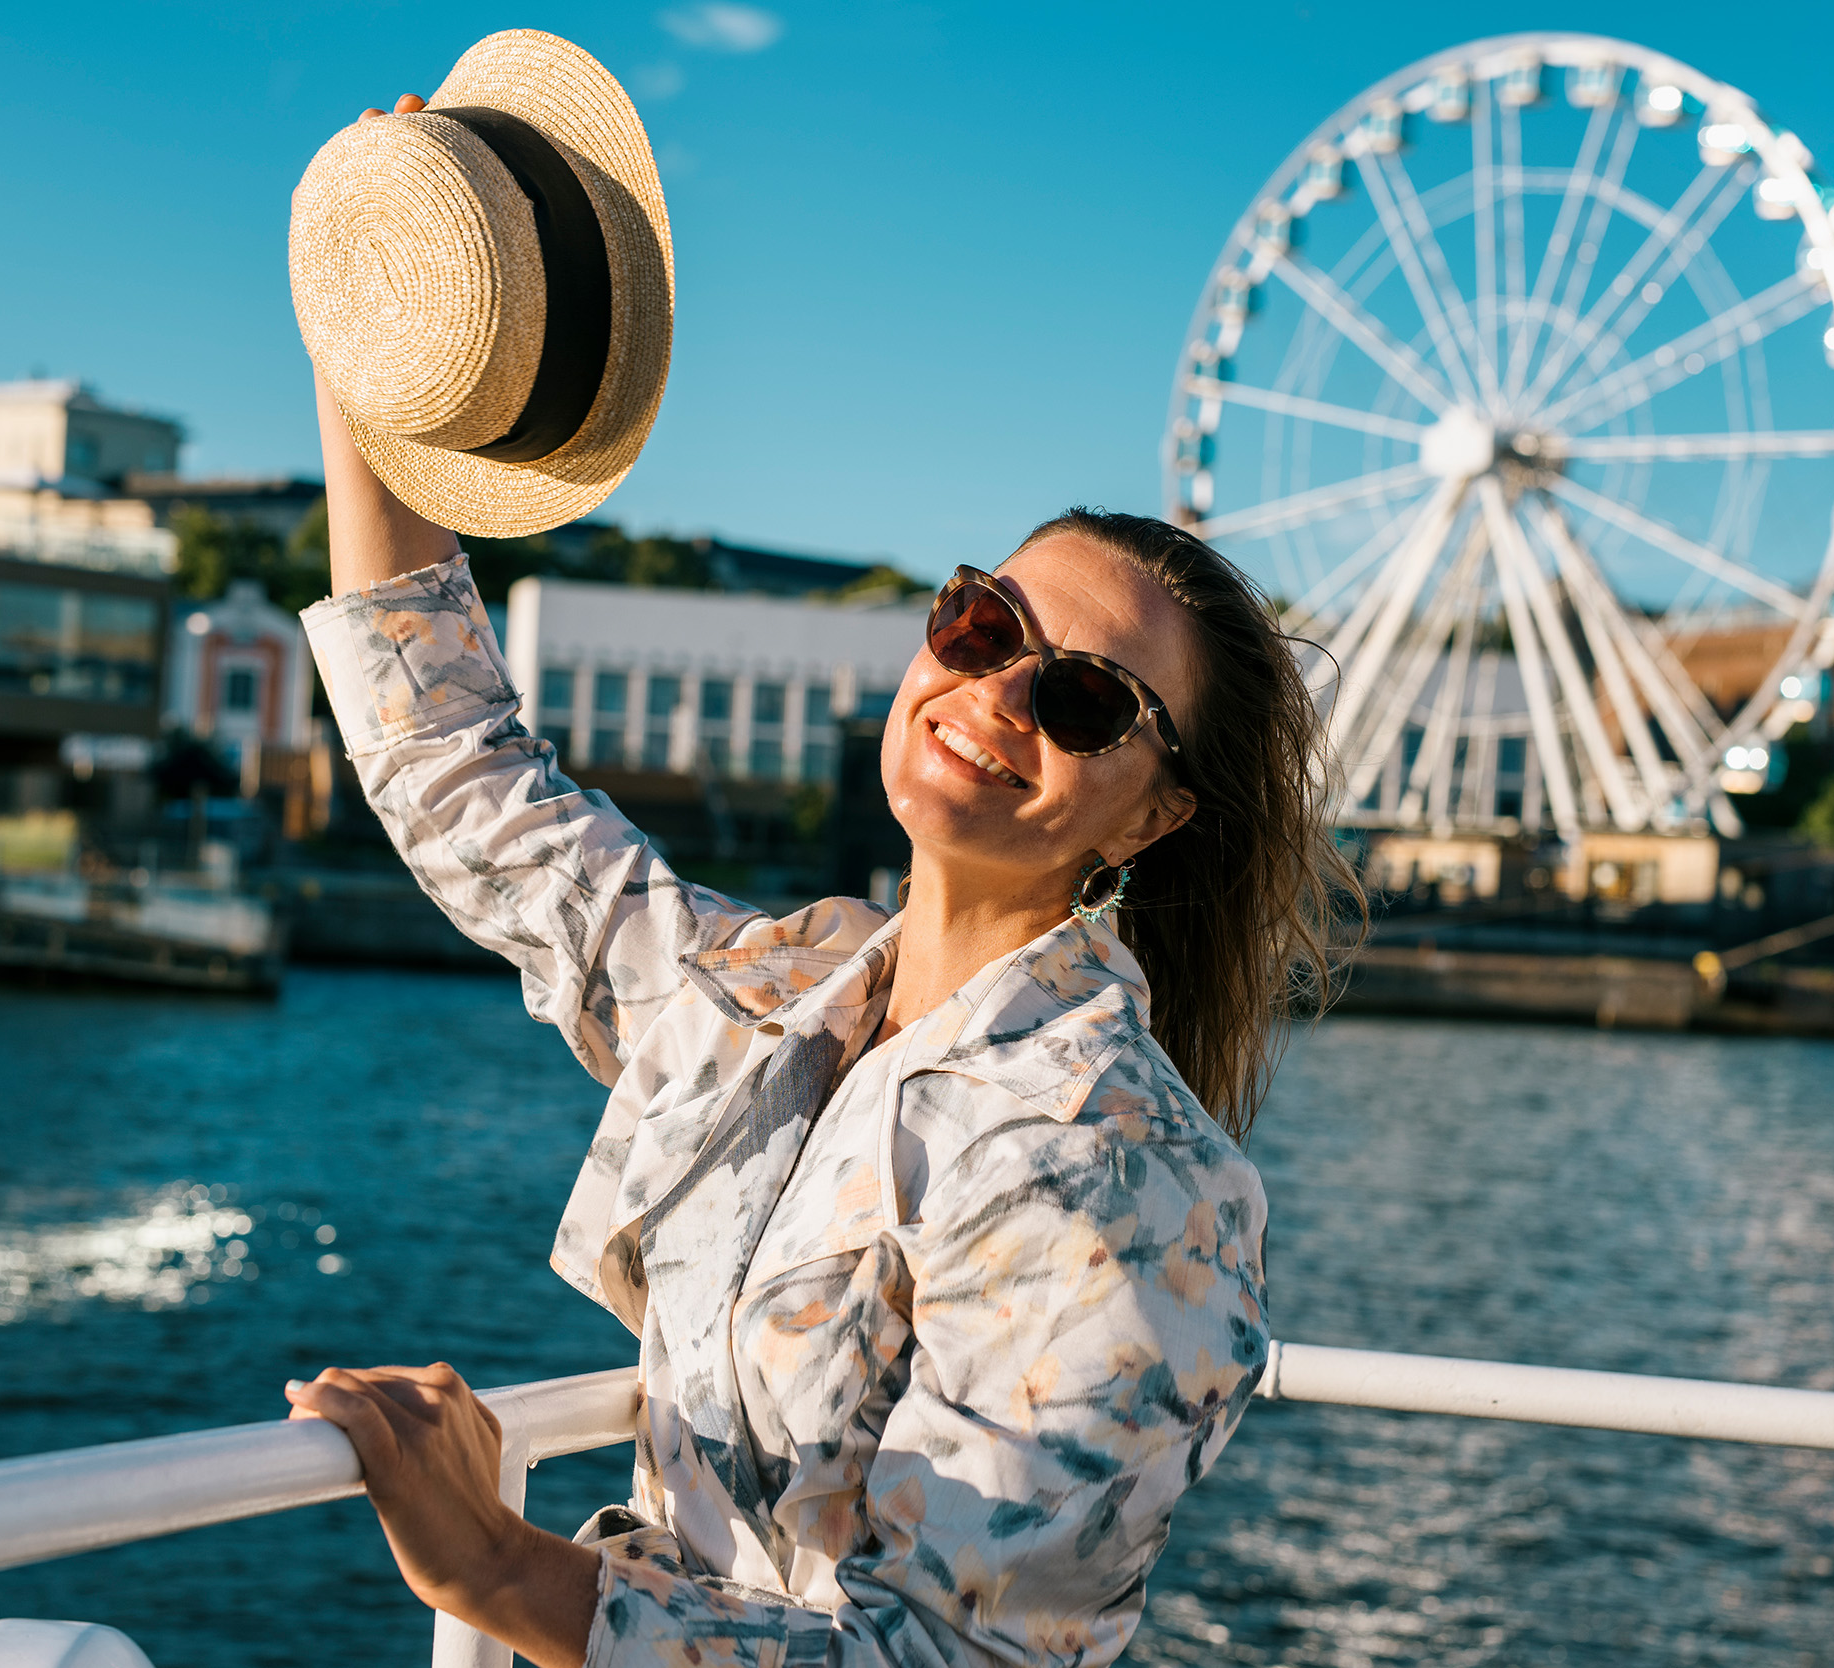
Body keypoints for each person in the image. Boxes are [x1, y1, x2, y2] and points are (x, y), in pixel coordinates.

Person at [284, 99, 1359, 1668]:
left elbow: (943, 1660)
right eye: (987, 625)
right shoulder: (777, 993)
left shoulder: (1124, 1176)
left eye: (1078, 706)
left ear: (1147, 820)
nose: (997, 695)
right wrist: (368, 327)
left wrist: (498, 1570)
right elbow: (464, 778)